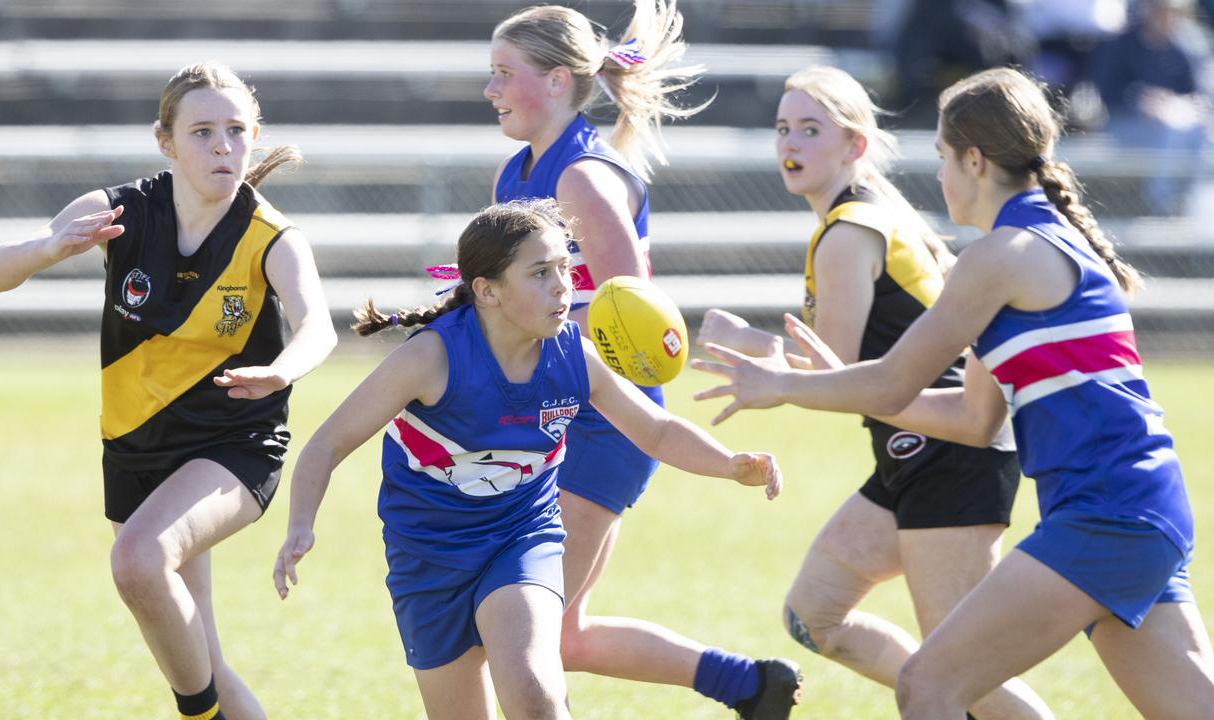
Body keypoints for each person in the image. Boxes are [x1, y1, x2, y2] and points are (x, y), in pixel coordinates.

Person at [693, 67, 1214, 719]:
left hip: (1107, 516)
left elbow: (895, 378)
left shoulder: (1000, 257)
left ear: (975, 161)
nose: (937, 176)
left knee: (927, 685)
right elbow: (970, 418)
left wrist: (785, 384)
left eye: (941, 157)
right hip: (1139, 510)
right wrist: (824, 382)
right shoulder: (1025, 247)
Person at [271, 199, 782, 720]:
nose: (563, 286)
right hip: (428, 557)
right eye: (541, 273)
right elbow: (326, 444)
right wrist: (300, 527)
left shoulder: (573, 355)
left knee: (536, 695)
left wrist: (729, 464)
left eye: (565, 268)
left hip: (520, 539)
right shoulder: (432, 358)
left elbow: (654, 429)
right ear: (487, 290)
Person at [696, 65, 1052, 719]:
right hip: (911, 451)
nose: (790, 144)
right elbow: (844, 365)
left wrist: (750, 344)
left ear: (855, 146)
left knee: (960, 671)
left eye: (811, 129)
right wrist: (755, 345)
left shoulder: (847, 232)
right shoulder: (861, 218)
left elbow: (832, 375)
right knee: (815, 615)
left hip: (948, 452)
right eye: (783, 129)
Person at [0, 63, 336, 720]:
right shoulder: (121, 211)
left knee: (138, 560)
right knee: (200, 653)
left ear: (255, 137)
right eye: (202, 132)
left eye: (235, 131)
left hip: (233, 444)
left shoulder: (272, 238)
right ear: (165, 141)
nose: (222, 146)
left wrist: (283, 370)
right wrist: (48, 249)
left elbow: (319, 327)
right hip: (136, 447)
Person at [483, 2, 803, 717]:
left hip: (603, 425)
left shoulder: (582, 178)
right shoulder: (518, 170)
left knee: (521, 633)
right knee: (555, 635)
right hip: (551, 415)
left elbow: (634, 315)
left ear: (559, 80)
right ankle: (750, 686)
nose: (491, 89)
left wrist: (522, 319)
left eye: (506, 73)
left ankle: (748, 685)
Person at [1088, 0, 1214, 215]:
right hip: (1124, 125)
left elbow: (1200, 98)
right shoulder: (1120, 44)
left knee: (1198, 130)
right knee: (1171, 131)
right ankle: (1160, 206)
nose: (1167, 19)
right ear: (1149, 12)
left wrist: (1176, 104)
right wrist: (1142, 100)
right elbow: (1108, 93)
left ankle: (1195, 201)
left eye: (1174, 14)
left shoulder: (1183, 48)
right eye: (1162, 13)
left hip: (1175, 126)